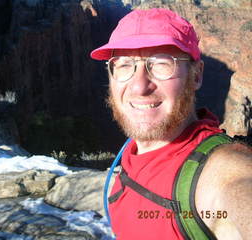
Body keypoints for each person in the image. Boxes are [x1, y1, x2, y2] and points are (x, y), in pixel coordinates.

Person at [90, 8, 252, 240]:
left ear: (196, 75)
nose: (139, 86)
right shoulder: (131, 153)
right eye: (124, 65)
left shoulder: (222, 172)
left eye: (161, 64)